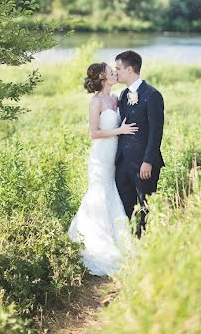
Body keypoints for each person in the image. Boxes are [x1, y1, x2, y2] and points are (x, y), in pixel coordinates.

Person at [68, 62, 135, 277]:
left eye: (115, 71)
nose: (115, 74)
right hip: (101, 155)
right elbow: (94, 133)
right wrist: (120, 129)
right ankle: (95, 238)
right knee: (99, 192)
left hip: (114, 154)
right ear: (103, 78)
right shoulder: (96, 101)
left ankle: (115, 237)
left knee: (110, 191)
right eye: (111, 72)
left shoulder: (115, 98)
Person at [115, 50, 165, 238]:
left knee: (145, 208)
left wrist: (148, 161)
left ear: (129, 69)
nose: (116, 72)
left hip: (144, 165)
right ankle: (128, 244)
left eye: (118, 68)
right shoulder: (122, 94)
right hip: (122, 164)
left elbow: (156, 131)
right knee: (124, 207)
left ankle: (145, 245)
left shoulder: (152, 95)